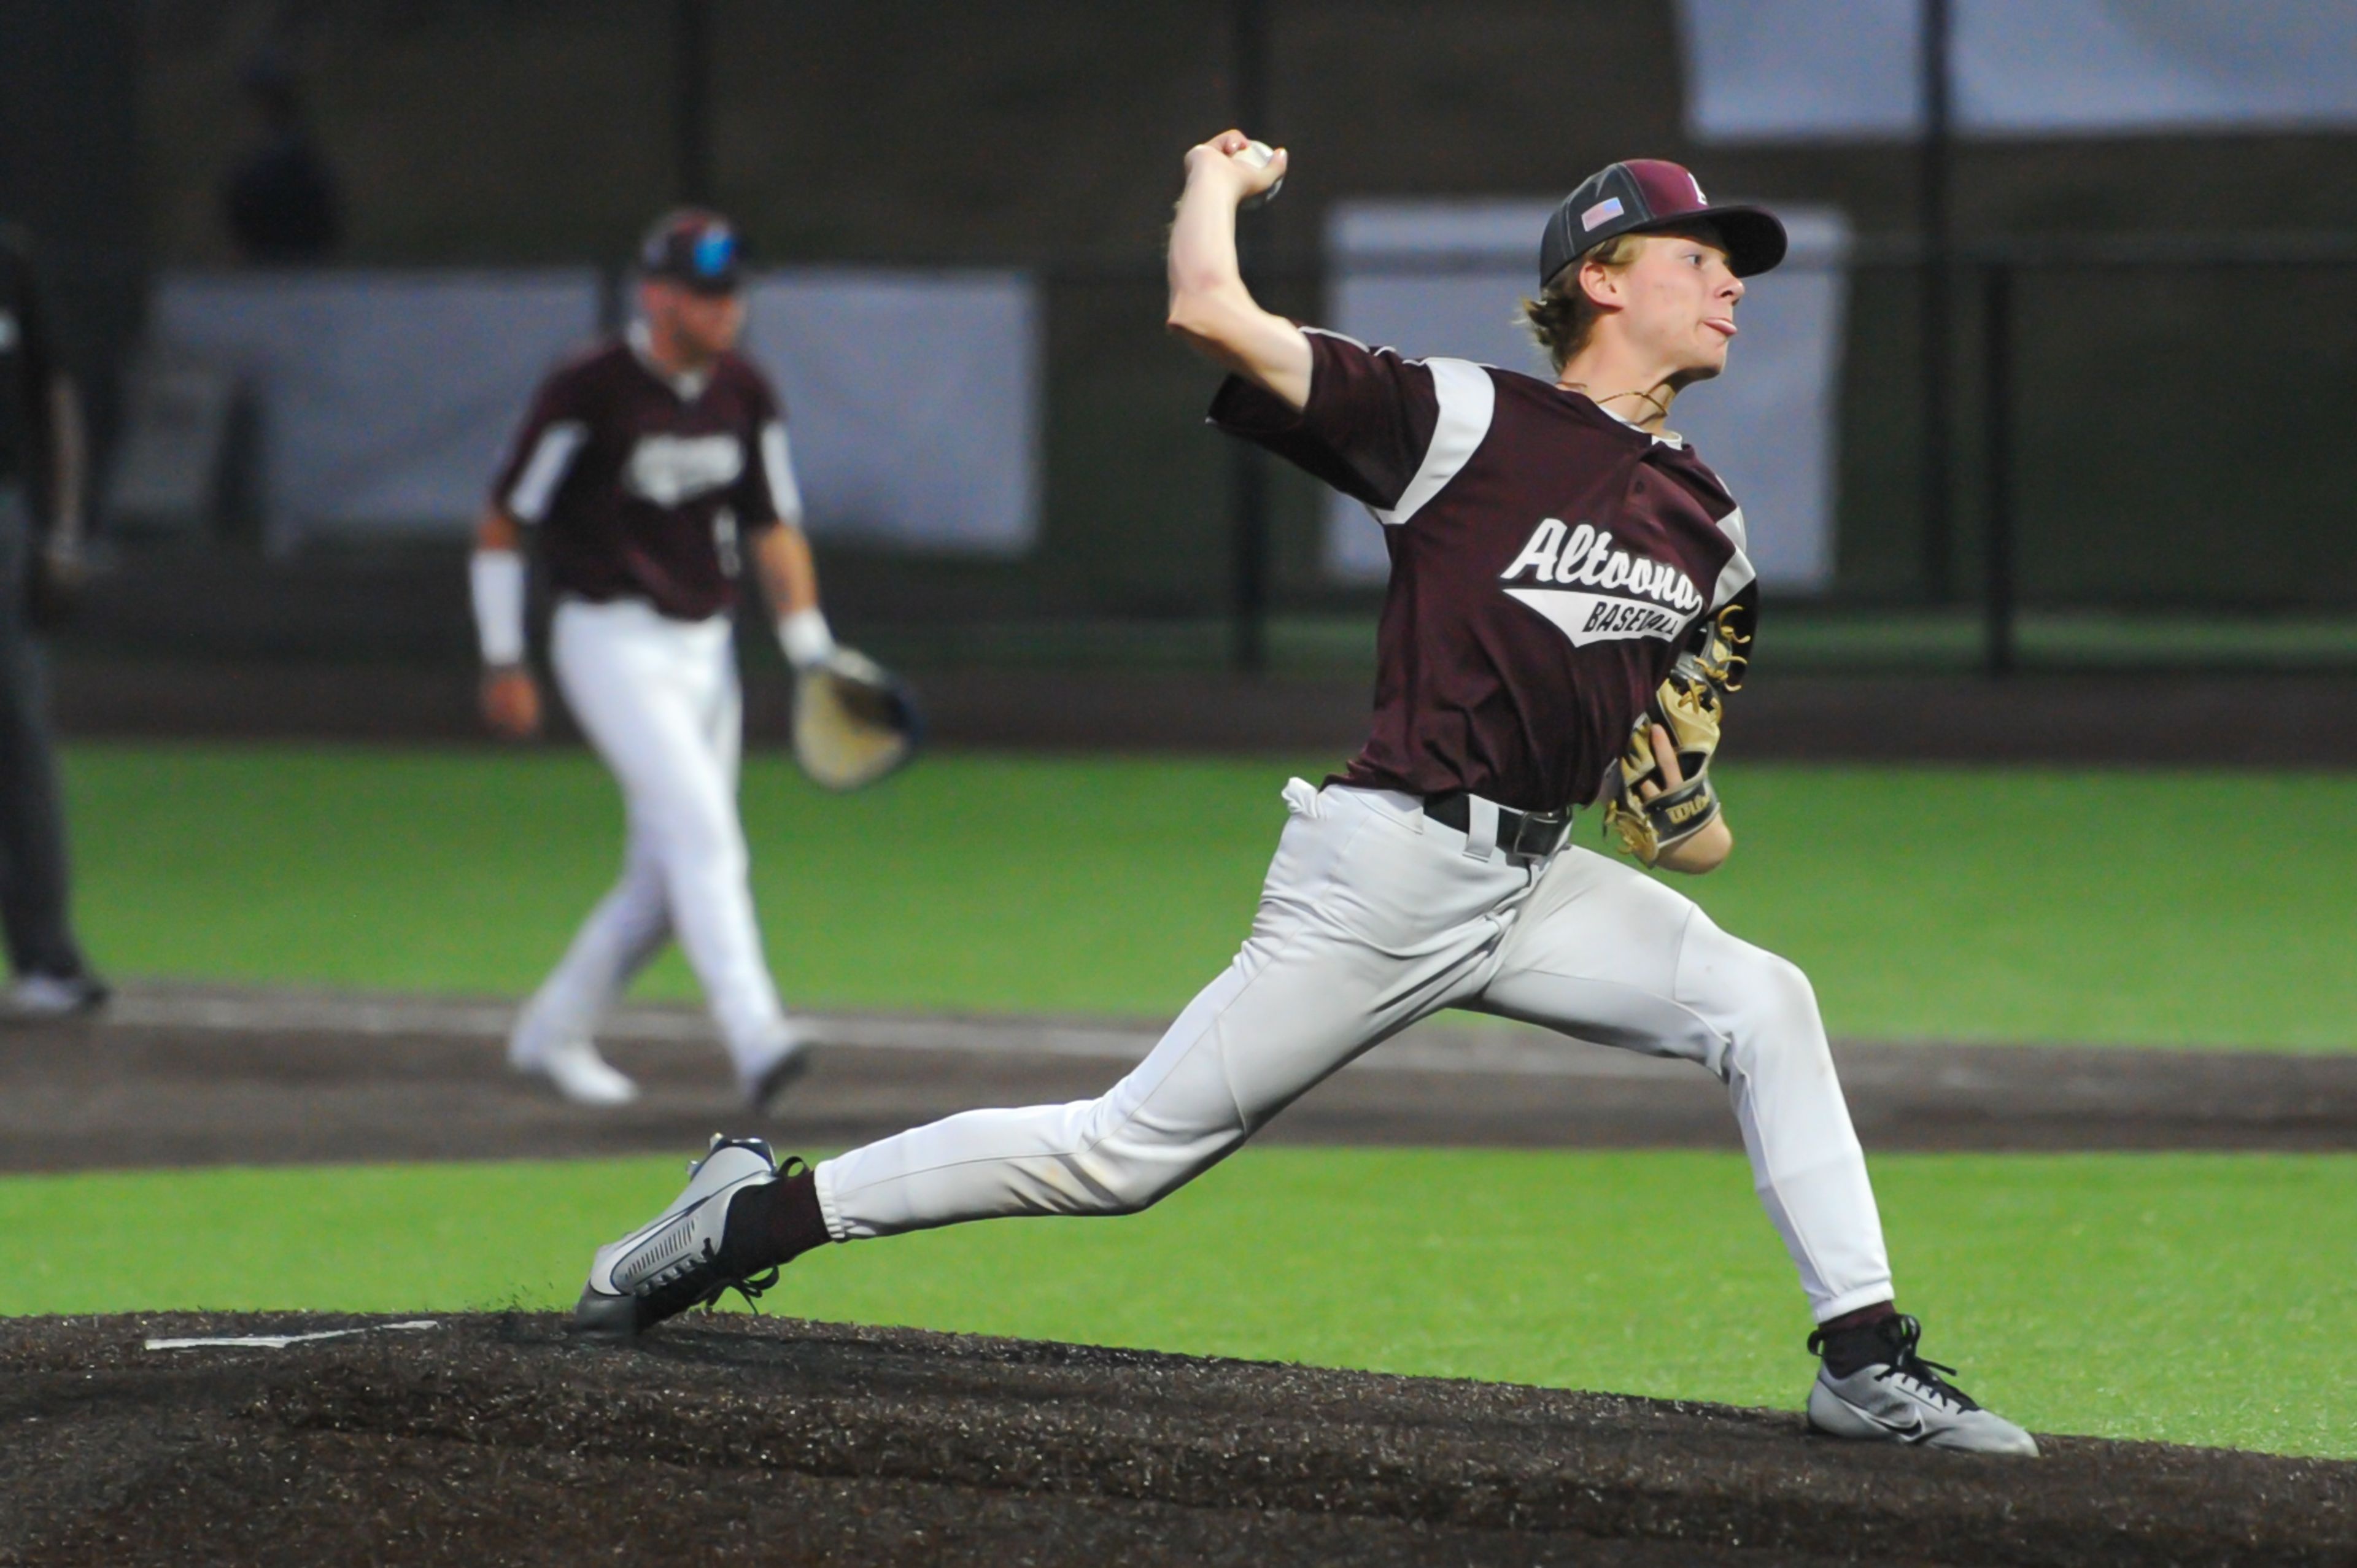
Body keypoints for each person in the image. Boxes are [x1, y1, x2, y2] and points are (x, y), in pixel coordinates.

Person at [568, 141, 2038, 1457]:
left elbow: (1680, 818)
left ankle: (1862, 1361)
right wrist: (1215, 179)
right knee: (1119, 1156)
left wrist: (1678, 810)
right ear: (1600, 275)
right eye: (1700, 260)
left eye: (1737, 271)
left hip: (1534, 889)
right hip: (1389, 871)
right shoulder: (1462, 421)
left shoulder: (1709, 525)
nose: (1732, 290)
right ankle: (745, 1216)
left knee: (1764, 1002)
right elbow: (1209, 312)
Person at [472, 208, 837, 1111]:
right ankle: (757, 1039)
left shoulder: (744, 391)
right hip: (609, 639)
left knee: (667, 875)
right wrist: (503, 654)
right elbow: (503, 518)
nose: (727, 309)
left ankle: (552, 1030)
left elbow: (773, 522)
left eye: (733, 292)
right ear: (656, 295)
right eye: (707, 293)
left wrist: (811, 647)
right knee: (705, 836)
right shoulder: (590, 388)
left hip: (704, 648)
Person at [0, 225, 106, 1022]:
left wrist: (65, 528)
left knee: (18, 734)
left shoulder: (10, 261)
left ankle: (48, 957)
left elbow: (56, 390)